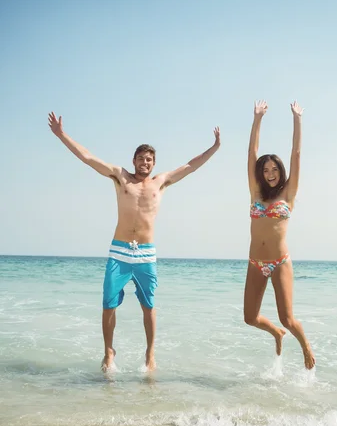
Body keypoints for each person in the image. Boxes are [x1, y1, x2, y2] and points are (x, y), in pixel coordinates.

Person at [48, 112, 220, 372]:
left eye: (149, 159)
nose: (145, 162)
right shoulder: (120, 176)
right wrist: (62, 135)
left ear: (153, 163)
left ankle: (150, 353)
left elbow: (190, 165)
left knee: (148, 306)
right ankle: (108, 351)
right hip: (119, 251)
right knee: (108, 304)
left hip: (146, 254)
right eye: (141, 158)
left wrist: (215, 147)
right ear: (134, 161)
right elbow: (88, 158)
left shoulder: (160, 182)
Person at [244, 100, 315, 369]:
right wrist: (257, 118)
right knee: (250, 318)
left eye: (274, 169)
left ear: (280, 172)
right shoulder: (255, 193)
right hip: (255, 263)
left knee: (288, 317)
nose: (270, 173)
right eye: (265, 170)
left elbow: (296, 154)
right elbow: (251, 152)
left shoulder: (288, 194)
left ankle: (305, 346)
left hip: (279, 262)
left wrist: (297, 119)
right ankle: (276, 333)